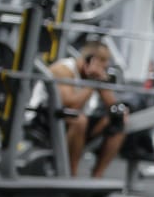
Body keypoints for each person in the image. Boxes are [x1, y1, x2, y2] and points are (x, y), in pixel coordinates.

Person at [35, 40, 128, 177]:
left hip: (72, 119)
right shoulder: (63, 70)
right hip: (46, 118)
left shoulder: (94, 74)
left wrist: (119, 110)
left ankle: (97, 176)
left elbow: (112, 105)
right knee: (79, 120)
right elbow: (71, 106)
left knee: (118, 121)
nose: (105, 66)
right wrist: (92, 82)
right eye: (102, 62)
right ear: (90, 60)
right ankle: (71, 174)